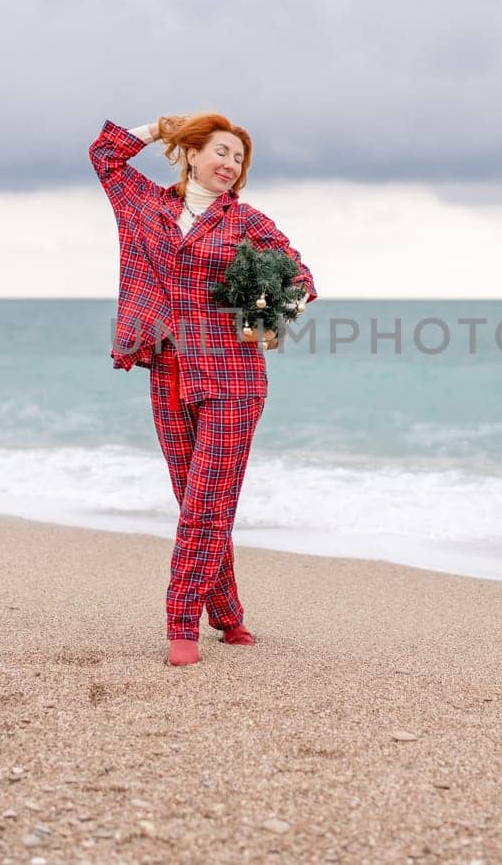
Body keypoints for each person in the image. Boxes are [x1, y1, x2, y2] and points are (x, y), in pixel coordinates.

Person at [89, 113, 318, 667]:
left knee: (208, 502)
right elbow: (105, 156)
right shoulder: (145, 206)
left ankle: (181, 619)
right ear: (190, 154)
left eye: (238, 159)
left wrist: (263, 306)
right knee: (193, 497)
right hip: (168, 368)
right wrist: (157, 129)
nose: (230, 165)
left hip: (233, 375)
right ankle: (229, 613)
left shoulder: (247, 222)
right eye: (220, 152)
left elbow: (302, 279)